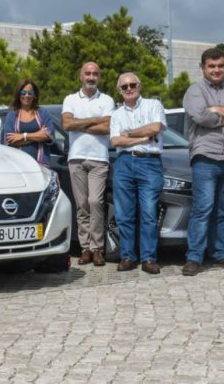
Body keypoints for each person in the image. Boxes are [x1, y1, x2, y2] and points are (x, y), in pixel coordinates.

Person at [181, 48, 224, 276]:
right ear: (202, 67)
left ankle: (220, 254)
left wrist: (217, 109)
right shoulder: (194, 91)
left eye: (220, 66)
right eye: (211, 66)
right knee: (202, 209)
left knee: (223, 210)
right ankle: (194, 257)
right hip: (205, 158)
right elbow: (201, 117)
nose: (216, 70)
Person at [110, 72, 166, 274]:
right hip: (124, 163)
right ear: (119, 90)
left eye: (132, 85)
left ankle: (148, 258)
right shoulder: (116, 114)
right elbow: (116, 141)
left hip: (149, 162)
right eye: (124, 86)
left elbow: (156, 127)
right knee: (124, 214)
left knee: (149, 213)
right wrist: (142, 138)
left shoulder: (153, 105)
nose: (128, 89)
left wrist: (130, 133)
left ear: (139, 86)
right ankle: (127, 257)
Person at [62, 62, 115, 267]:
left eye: (95, 74)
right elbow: (67, 124)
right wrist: (94, 119)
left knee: (95, 202)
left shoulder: (107, 100)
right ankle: (85, 248)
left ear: (99, 77)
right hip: (76, 158)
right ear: (81, 76)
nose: (91, 77)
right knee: (82, 205)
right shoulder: (70, 99)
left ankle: (97, 248)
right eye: (87, 73)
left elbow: (108, 127)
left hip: (99, 159)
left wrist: (80, 123)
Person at [3, 79, 54, 166]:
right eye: (23, 92)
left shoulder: (43, 113)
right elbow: (10, 140)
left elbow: (48, 135)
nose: (27, 95)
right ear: (18, 94)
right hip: (18, 165)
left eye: (30, 93)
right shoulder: (12, 115)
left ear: (34, 95)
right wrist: (38, 136)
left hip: (41, 165)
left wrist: (23, 136)